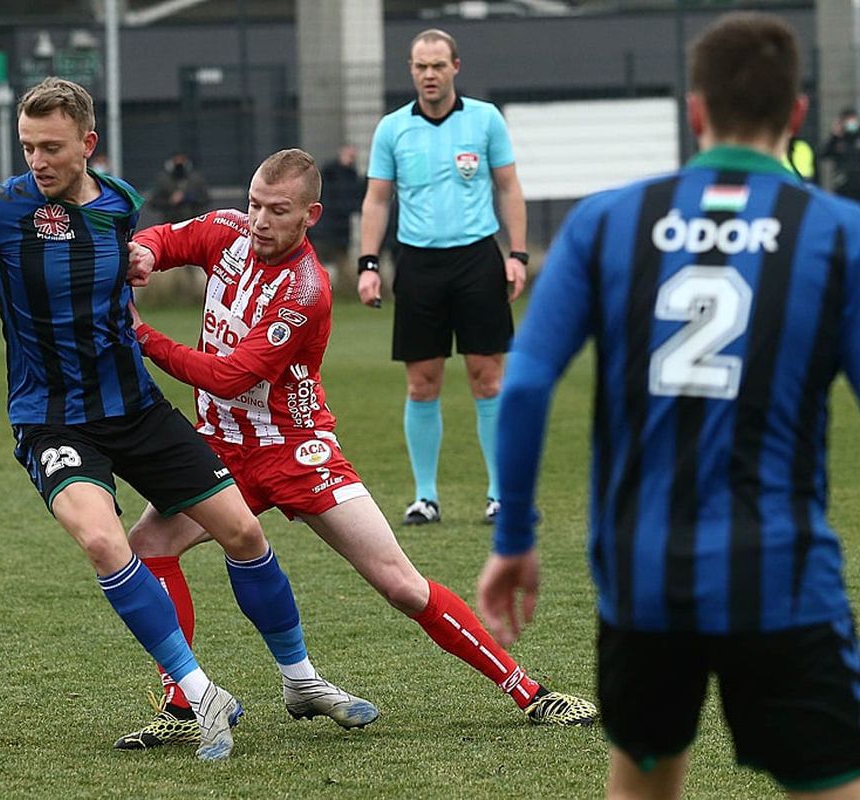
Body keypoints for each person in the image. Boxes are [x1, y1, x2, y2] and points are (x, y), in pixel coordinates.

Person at [0, 78, 365, 763]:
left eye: (51, 147)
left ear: (88, 143)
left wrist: (140, 259)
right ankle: (202, 695)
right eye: (27, 147)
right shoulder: (2, 206)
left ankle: (302, 679)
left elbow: (131, 260)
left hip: (134, 406)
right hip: (52, 419)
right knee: (106, 543)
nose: (37, 161)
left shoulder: (119, 204)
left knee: (243, 531)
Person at [477, 13, 860, 798]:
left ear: (695, 112)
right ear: (796, 116)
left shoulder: (608, 221)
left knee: (644, 784)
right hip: (783, 578)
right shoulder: (837, 233)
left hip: (642, 577)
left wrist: (514, 532)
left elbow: (522, 384)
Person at [114, 147, 596, 751]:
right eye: (255, 205)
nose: (261, 220)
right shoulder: (226, 230)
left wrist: (140, 335)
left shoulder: (305, 290)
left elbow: (230, 375)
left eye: (278, 210)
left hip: (295, 450)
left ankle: (528, 691)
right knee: (148, 545)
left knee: (401, 585)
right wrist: (144, 254)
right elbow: (168, 238)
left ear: (310, 215)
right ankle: (184, 704)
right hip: (219, 450)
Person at [357, 28, 529, 527]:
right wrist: (369, 265)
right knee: (421, 384)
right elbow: (378, 199)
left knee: (488, 377)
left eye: (437, 65)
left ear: (456, 66)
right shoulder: (392, 129)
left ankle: (500, 495)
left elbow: (510, 188)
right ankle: (425, 497)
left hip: (477, 259)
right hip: (418, 263)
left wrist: (516, 254)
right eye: (420, 66)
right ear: (411, 70)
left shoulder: (485, 119)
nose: (429, 75)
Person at [312, 143, 365, 283]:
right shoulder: (330, 174)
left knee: (338, 262)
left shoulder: (350, 176)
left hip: (339, 229)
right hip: (326, 228)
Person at [148, 152, 210, 224]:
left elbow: (205, 199)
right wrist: (170, 201)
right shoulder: (163, 180)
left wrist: (188, 198)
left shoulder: (196, 179)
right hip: (171, 223)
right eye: (176, 161)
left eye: (182, 161)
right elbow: (153, 202)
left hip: (192, 222)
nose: (179, 164)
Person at [819, 107, 860, 200]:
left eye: (853, 120)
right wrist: (834, 136)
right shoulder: (837, 140)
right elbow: (823, 154)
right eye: (848, 120)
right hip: (843, 184)